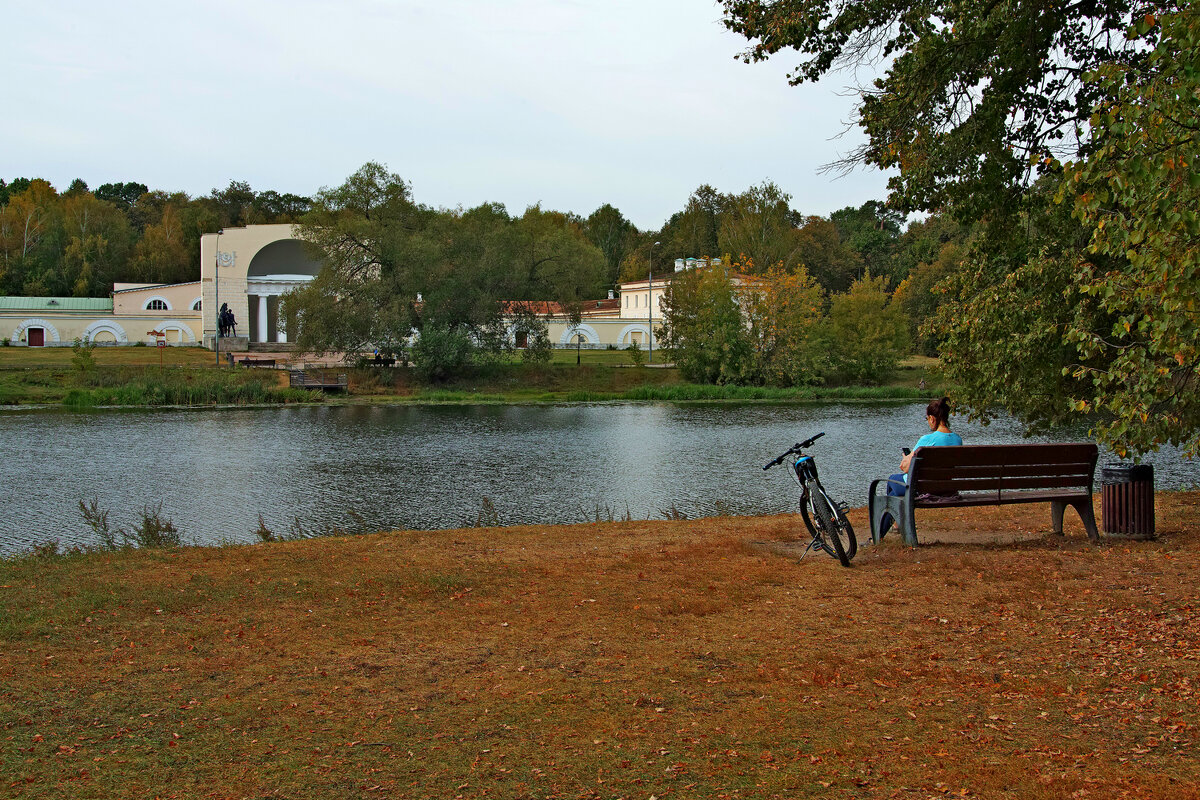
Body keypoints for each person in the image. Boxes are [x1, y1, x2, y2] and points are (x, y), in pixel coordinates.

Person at [879, 396, 963, 536]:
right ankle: (895, 525)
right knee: (895, 493)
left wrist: (906, 458)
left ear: (932, 418)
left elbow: (905, 468)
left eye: (927, 419)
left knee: (892, 481)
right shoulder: (957, 439)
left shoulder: (927, 440)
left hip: (923, 488)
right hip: (946, 488)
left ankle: (888, 530)